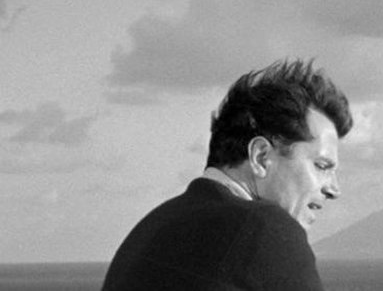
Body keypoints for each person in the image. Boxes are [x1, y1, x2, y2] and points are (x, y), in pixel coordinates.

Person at [103, 59, 352, 291]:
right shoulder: (266, 230)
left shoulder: (147, 231)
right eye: (321, 166)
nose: (334, 189)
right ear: (261, 156)